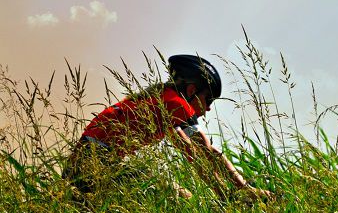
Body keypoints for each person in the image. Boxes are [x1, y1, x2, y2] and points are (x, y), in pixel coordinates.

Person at [63, 54, 272, 201]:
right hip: (98, 163)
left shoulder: (161, 103)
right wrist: (243, 188)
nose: (208, 108)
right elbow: (206, 151)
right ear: (191, 90)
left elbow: (192, 154)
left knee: (177, 194)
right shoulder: (176, 104)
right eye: (208, 99)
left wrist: (225, 193)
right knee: (180, 198)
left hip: (85, 163)